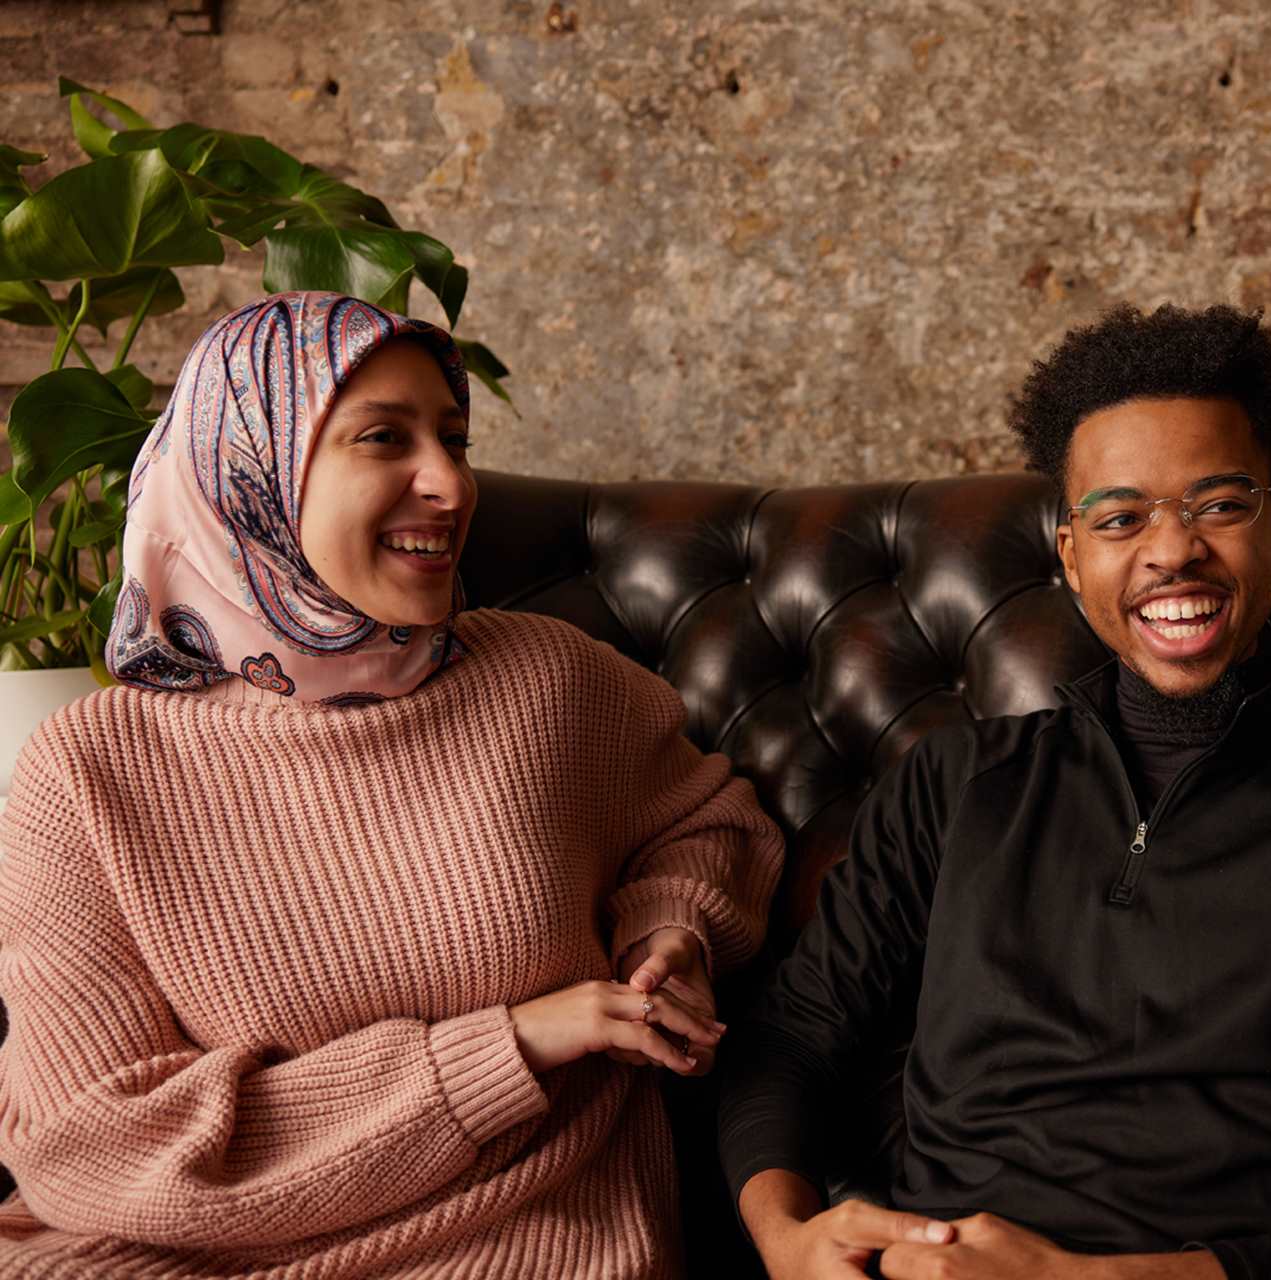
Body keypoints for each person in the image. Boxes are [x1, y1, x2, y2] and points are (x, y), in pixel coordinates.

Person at [718, 303, 1271, 1280]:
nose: (1172, 550)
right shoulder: (955, 781)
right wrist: (788, 1236)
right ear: (1070, 554)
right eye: (1121, 516)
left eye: (1219, 503)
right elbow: (794, 1035)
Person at [0, 291, 784, 1277]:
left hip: (520, 1238)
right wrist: (511, 1045)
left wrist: (669, 930)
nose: (450, 485)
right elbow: (90, 1141)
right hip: (162, 1252)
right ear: (250, 469)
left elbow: (706, 816)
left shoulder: (547, 680)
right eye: (384, 438)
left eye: (453, 439)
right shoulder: (89, 766)